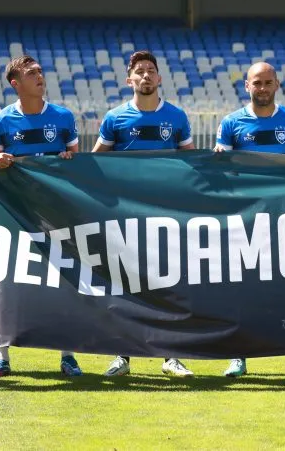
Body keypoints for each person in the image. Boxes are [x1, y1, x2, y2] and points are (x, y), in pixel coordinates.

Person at [93, 51, 196, 379]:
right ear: (129, 80)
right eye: (140, 72)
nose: (146, 76)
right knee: (125, 285)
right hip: (125, 215)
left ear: (159, 78)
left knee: (169, 283)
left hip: (166, 215)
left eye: (151, 71)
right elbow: (95, 162)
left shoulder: (177, 117)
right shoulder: (115, 119)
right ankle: (121, 355)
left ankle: (171, 356)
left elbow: (192, 164)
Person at [215, 62, 285, 378]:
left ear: (277, 84)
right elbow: (220, 168)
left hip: (284, 216)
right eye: (256, 83)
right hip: (245, 216)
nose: (262, 88)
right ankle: (238, 355)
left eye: (267, 82)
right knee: (242, 286)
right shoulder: (232, 123)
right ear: (246, 86)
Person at [0, 55, 83, 379]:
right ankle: (3, 357)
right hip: (14, 213)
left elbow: (76, 161)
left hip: (53, 213)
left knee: (62, 282)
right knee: (7, 282)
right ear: (16, 84)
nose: (40, 76)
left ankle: (68, 355)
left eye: (40, 71)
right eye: (31, 73)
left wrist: (69, 159)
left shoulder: (63, 116)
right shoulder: (1, 121)